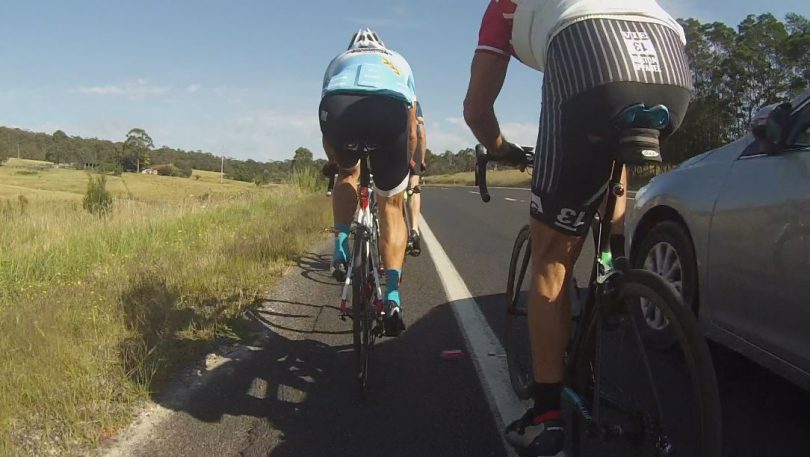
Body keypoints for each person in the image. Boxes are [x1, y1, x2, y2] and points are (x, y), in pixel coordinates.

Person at [463, 1, 692, 455]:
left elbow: (476, 109)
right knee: (617, 144)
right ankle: (614, 262)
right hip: (670, 60)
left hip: (587, 50)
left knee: (552, 256)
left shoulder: (504, 7)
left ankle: (546, 414)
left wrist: (502, 148)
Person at [320, 28, 419, 335]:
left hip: (339, 110)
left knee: (347, 174)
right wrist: (409, 162)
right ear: (381, 48)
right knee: (390, 203)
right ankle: (391, 295)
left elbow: (326, 127)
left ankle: (340, 246)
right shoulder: (398, 62)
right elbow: (413, 128)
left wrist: (339, 163)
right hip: (389, 111)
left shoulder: (339, 61)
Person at [406, 100, 427, 256]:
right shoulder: (413, 99)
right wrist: (422, 159)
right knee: (414, 185)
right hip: (412, 143)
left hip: (390, 144)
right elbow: (420, 131)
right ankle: (414, 229)